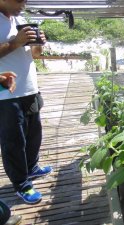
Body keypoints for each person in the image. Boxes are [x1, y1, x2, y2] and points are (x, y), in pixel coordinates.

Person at [0, 0, 52, 204]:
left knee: (33, 133)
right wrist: (15, 42)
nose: (23, 5)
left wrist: (38, 45)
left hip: (29, 88)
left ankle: (31, 167)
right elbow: (14, 45)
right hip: (6, 93)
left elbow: (31, 56)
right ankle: (21, 184)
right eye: (18, 1)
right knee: (13, 141)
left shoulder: (19, 19)